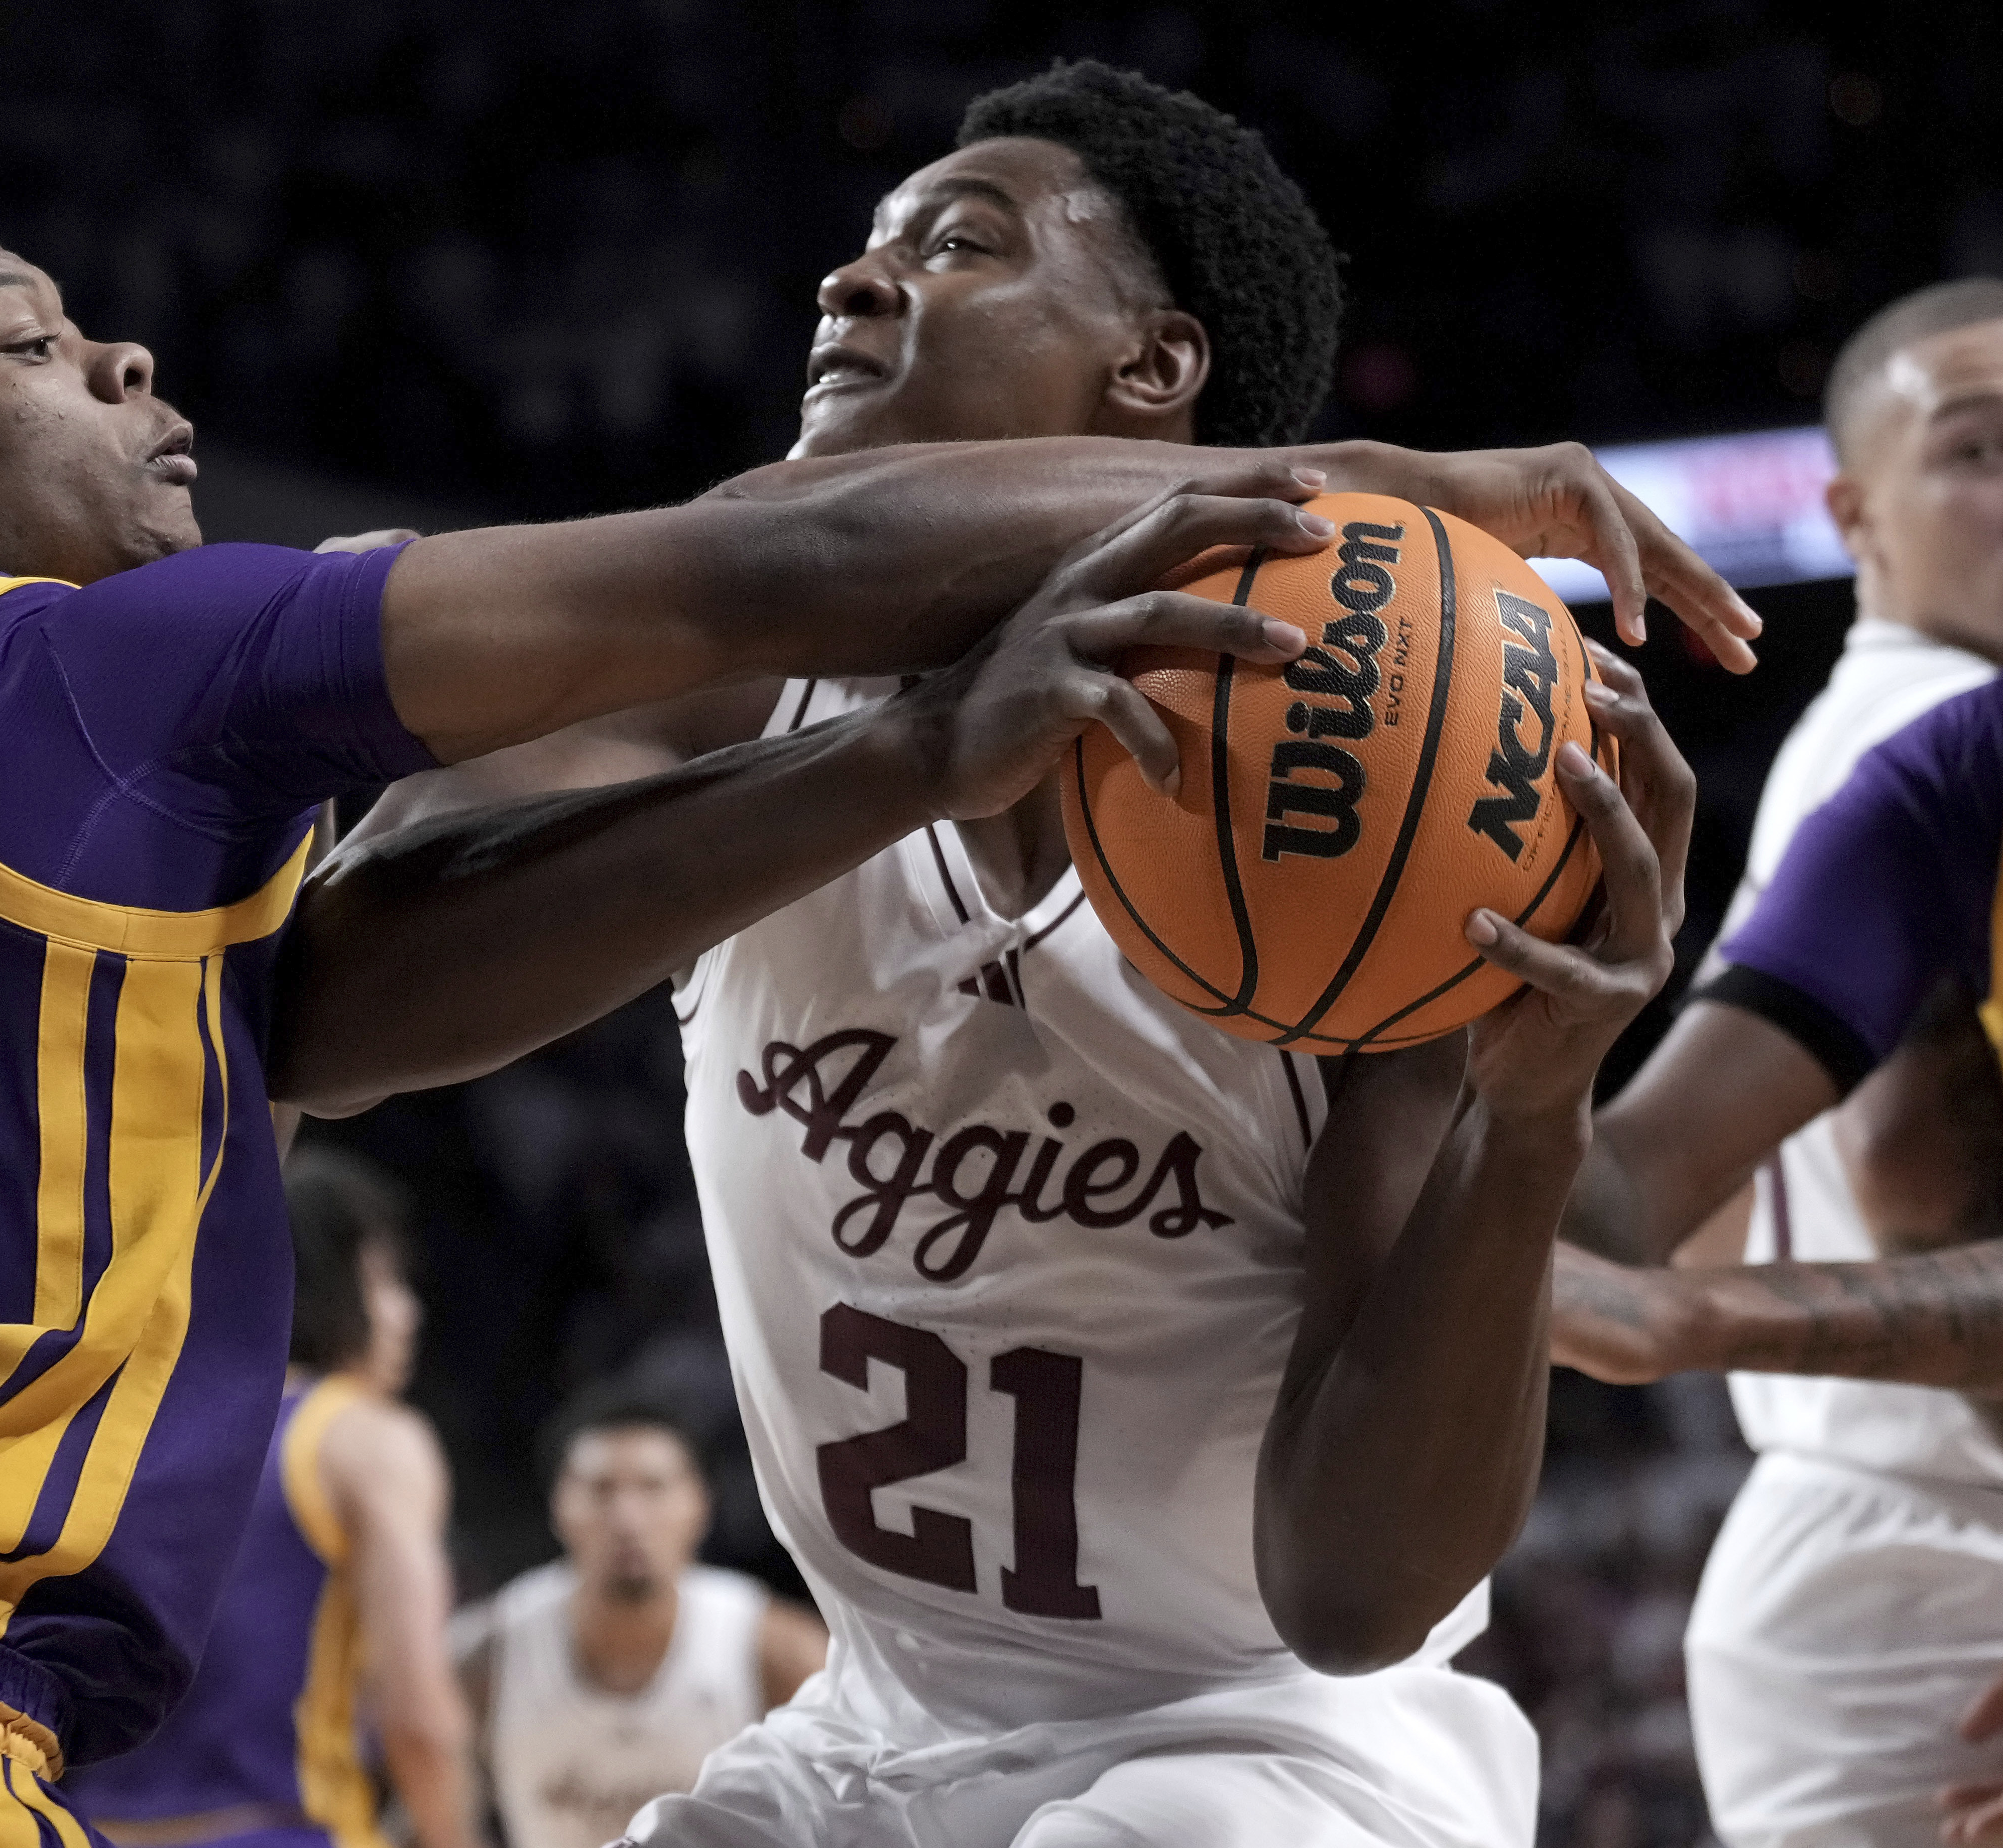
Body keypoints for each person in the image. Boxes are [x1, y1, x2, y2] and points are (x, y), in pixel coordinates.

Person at [0, 171, 1708, 1844]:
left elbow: (296, 997)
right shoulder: (53, 673)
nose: (123, 356)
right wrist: (1351, 489)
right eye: (20, 338)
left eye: (969, 240)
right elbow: (747, 585)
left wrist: (918, 743)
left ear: (1151, 359)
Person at [279, 60, 1749, 1848]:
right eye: (867, 245)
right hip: (874, 1727)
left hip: (1274, 1754)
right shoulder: (750, 682)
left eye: (959, 245)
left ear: (1156, 370)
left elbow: (1354, 1602)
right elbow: (328, 1004)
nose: (854, 280)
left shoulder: (1371, 827)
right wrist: (898, 758)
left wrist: (1530, 1116)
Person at [1549, 282, 2003, 1848]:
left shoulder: (1865, 736)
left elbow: (1678, 1211)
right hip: (1949, 1545)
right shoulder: (1943, 729)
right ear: (1850, 511)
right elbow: (1905, 1166)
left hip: (1851, 1543)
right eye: (1976, 448)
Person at [65, 1149, 477, 1848]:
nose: (407, 1313)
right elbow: (418, 1719)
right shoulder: (366, 1438)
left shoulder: (111, 1429)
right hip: (280, 1829)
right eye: (385, 1280)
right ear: (322, 1285)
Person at [452, 1400, 826, 1848]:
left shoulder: (779, 1652)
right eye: (601, 1490)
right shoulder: (485, 1654)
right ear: (557, 1506)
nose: (628, 1518)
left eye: (654, 1487)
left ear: (701, 1504)